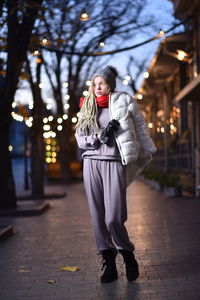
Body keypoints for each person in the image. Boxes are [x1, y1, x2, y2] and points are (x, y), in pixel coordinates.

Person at [75, 66, 157, 283]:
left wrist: (146, 149)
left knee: (114, 217)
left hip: (113, 163)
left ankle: (127, 255)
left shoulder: (123, 101)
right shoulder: (86, 106)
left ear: (110, 83)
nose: (97, 87)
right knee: (98, 219)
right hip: (91, 163)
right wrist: (98, 137)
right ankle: (109, 264)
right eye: (94, 84)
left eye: (101, 83)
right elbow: (80, 138)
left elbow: (138, 127)